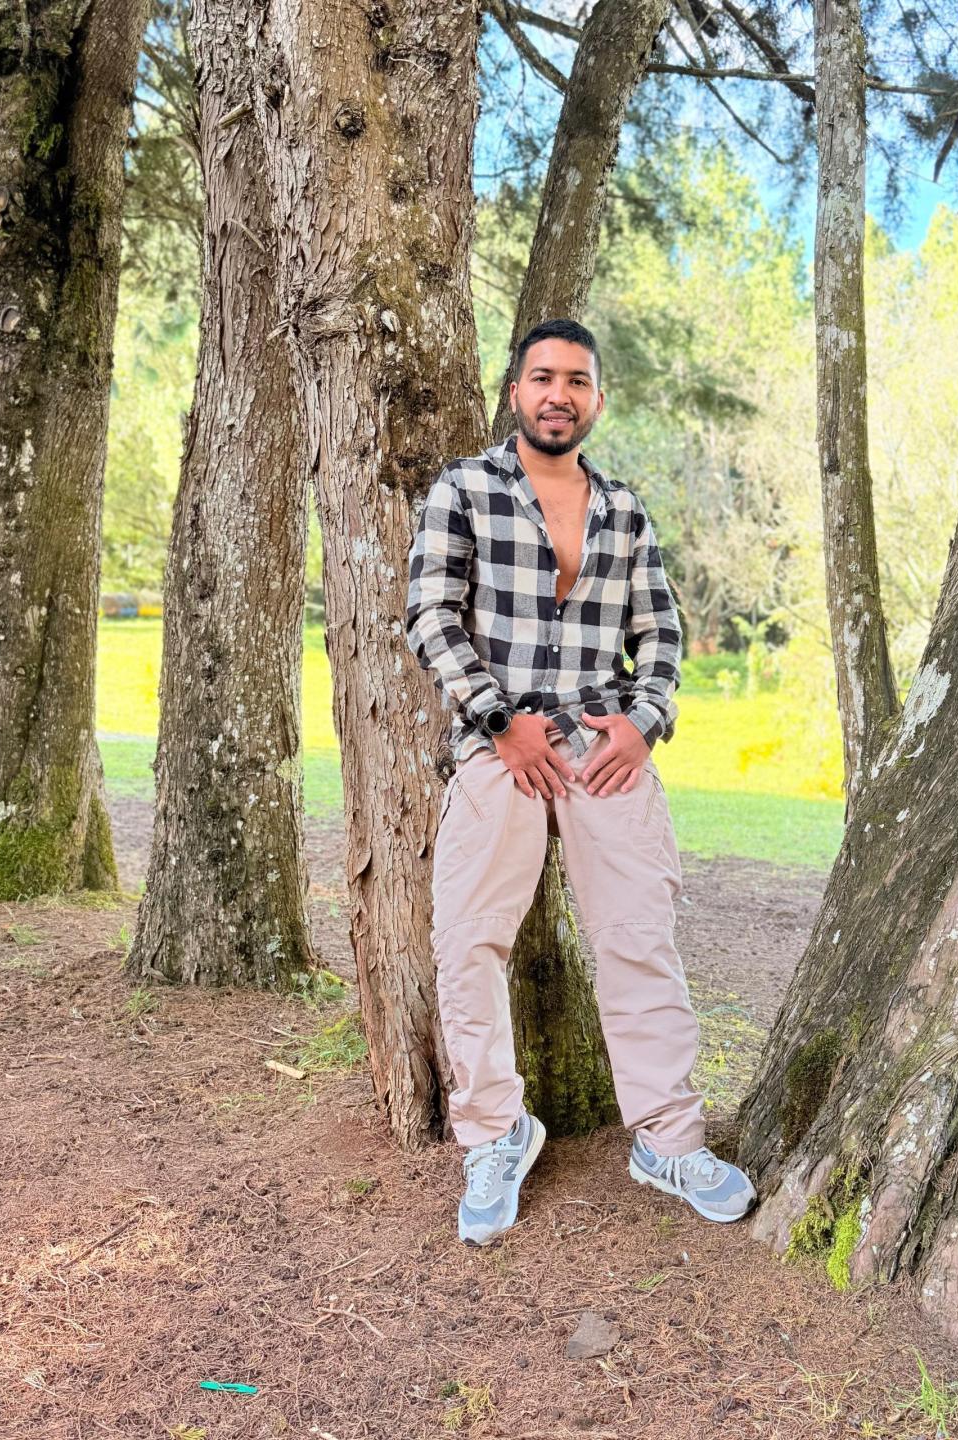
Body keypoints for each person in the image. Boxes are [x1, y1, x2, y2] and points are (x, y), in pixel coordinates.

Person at [404, 317, 756, 1245]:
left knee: (639, 939)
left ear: (597, 399)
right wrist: (499, 720)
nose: (559, 394)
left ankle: (668, 1141)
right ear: (516, 390)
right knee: (468, 944)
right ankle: (495, 1135)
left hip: (604, 747)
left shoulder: (624, 511)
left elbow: (662, 631)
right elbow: (431, 615)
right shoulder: (465, 490)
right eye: (543, 377)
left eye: (577, 381)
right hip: (502, 746)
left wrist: (643, 724)